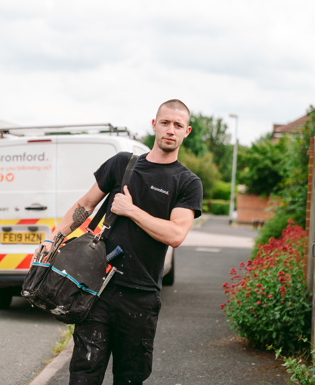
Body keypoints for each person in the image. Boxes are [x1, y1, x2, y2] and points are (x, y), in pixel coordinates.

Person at [44, 99, 203, 385]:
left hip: (141, 297)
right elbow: (86, 204)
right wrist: (54, 239)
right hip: (97, 290)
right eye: (165, 122)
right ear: (154, 125)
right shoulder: (122, 164)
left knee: (130, 378)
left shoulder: (187, 182)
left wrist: (130, 210)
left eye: (178, 125)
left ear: (187, 131)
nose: (170, 129)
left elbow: (176, 235)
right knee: (83, 374)